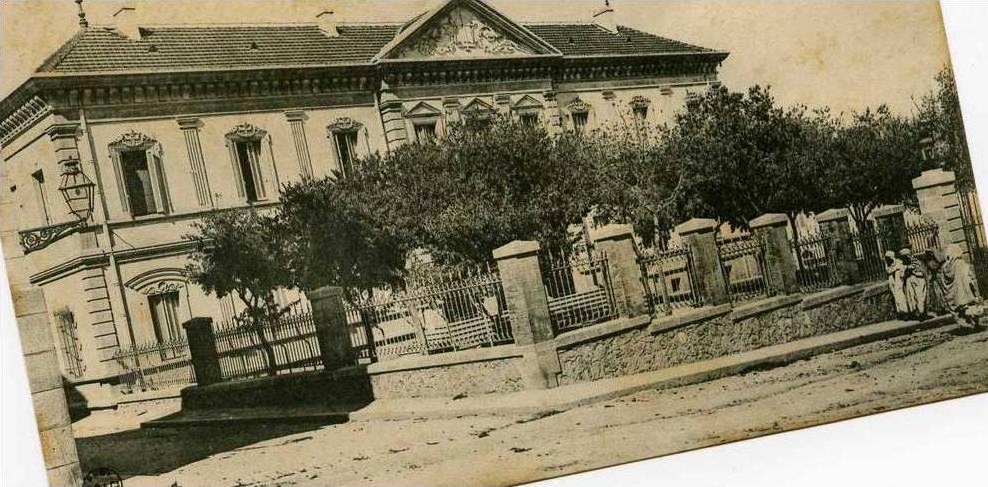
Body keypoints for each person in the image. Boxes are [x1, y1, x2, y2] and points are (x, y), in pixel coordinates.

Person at [939, 244, 984, 329]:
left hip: (956, 295)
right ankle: (974, 324)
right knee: (971, 307)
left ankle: (967, 324)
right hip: (966, 291)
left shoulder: (946, 267)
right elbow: (969, 276)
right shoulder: (961, 264)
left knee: (962, 310)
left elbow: (944, 280)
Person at [900, 248, 929, 320]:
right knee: (912, 298)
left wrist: (913, 270)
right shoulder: (903, 265)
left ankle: (922, 313)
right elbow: (902, 275)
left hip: (919, 280)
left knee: (921, 296)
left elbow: (921, 271)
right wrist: (906, 270)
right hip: (910, 281)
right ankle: (918, 313)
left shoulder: (916, 261)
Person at [884, 250, 909, 319]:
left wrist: (899, 272)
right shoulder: (889, 265)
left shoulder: (898, 263)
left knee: (900, 295)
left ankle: (905, 311)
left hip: (898, 281)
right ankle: (900, 312)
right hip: (892, 280)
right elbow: (888, 270)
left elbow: (902, 271)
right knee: (895, 296)